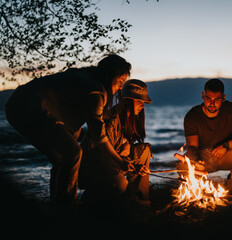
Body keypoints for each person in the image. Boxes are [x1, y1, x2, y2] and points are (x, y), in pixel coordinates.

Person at [5, 54, 132, 211]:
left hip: (21, 103)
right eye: (119, 82)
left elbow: (72, 113)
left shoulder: (86, 77)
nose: (120, 87)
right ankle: (67, 210)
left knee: (61, 158)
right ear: (108, 76)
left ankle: (58, 206)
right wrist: (119, 161)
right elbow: (99, 135)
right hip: (26, 106)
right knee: (72, 152)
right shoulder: (95, 91)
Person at [79, 79, 152, 208]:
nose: (143, 106)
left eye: (144, 102)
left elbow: (122, 151)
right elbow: (104, 157)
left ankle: (139, 197)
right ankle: (98, 198)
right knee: (120, 184)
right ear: (127, 101)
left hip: (114, 164)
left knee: (144, 150)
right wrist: (127, 163)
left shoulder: (129, 120)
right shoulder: (111, 120)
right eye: (140, 101)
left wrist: (127, 154)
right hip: (94, 169)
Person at [177, 78, 232, 190]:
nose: (212, 104)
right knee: (183, 165)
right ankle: (198, 191)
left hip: (226, 153)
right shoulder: (193, 115)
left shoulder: (231, 109)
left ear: (223, 98)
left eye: (217, 100)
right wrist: (196, 160)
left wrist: (225, 146)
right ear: (202, 96)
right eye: (208, 99)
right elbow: (192, 146)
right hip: (204, 157)